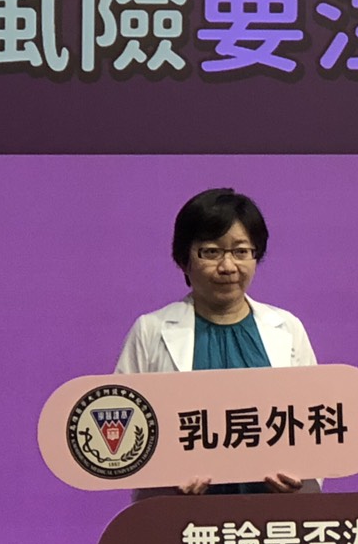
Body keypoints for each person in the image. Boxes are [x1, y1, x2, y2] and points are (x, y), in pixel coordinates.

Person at [116, 189, 316, 495]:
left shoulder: (288, 328)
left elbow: (315, 424)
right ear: (184, 260)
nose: (228, 266)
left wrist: (300, 475)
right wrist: (163, 476)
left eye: (241, 251)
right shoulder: (150, 330)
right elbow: (122, 427)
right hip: (179, 513)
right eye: (211, 252)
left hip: (272, 513)